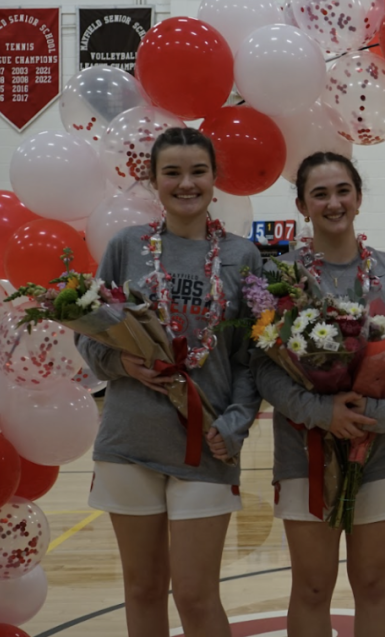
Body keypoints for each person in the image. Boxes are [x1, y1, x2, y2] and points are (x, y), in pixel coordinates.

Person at [77, 127, 262, 637]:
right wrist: (123, 365)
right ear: (153, 181)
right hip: (128, 441)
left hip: (206, 445)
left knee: (197, 595)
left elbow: (252, 359)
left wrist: (238, 423)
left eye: (197, 171)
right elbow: (89, 342)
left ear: (214, 178)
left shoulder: (242, 257)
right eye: (172, 173)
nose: (186, 183)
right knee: (141, 589)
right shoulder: (126, 247)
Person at [253, 152, 385, 637]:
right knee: (310, 586)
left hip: (380, 450)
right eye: (319, 194)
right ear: (302, 206)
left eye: (342, 190)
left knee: (372, 582)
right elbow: (264, 370)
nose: (333, 202)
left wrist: (380, 414)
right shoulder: (280, 279)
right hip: (304, 450)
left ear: (359, 198)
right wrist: (322, 411)